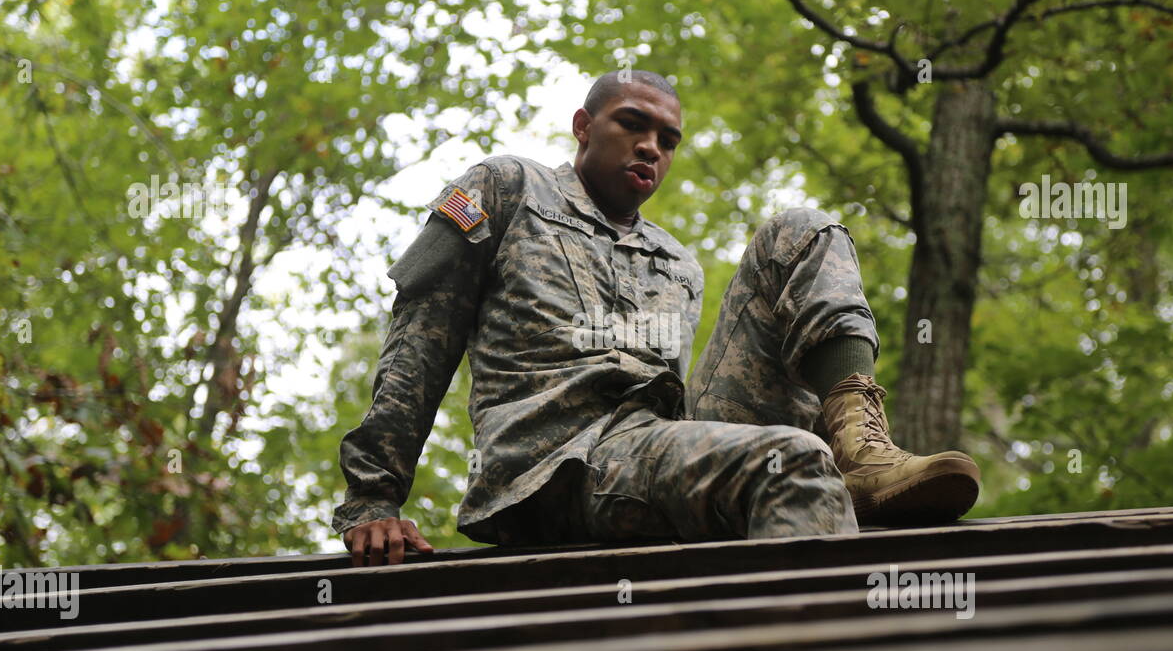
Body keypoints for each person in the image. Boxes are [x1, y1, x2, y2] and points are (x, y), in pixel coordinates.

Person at [332, 70, 981, 566]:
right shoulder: (508, 188)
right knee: (790, 462)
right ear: (583, 126)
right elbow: (421, 333)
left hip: (655, 446)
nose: (651, 148)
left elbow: (677, 417)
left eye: (667, 141)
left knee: (803, 229)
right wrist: (373, 498)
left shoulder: (678, 263)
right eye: (632, 126)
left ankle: (863, 453)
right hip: (561, 468)